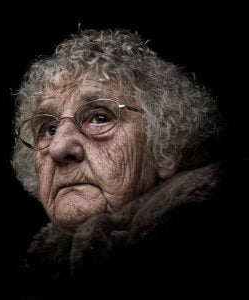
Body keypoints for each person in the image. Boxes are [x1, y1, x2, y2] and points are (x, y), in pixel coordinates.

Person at [12, 28, 248, 299]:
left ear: (165, 146)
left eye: (100, 118)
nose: (58, 147)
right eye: (49, 128)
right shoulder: (40, 276)